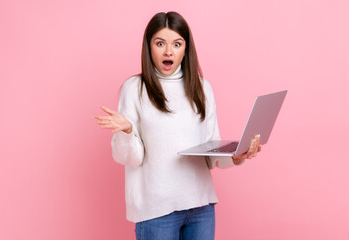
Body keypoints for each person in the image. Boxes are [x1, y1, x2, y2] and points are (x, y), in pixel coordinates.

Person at [94, 11, 261, 240]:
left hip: (201, 207)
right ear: (149, 47)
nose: (168, 51)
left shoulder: (202, 88)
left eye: (177, 43)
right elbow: (130, 158)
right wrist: (127, 131)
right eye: (160, 43)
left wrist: (237, 155)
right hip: (156, 211)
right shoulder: (135, 88)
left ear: (186, 48)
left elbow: (211, 154)